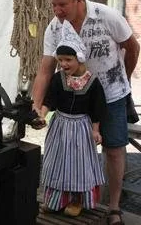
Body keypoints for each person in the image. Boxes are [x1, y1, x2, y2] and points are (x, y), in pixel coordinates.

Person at [30, 0, 140, 223]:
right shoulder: (54, 28)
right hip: (74, 101)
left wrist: (123, 80)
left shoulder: (107, 16)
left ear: (78, 0)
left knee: (114, 150)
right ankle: (68, 197)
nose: (57, 10)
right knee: (71, 152)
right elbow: (45, 70)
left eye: (62, 5)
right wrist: (36, 107)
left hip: (110, 95)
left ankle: (113, 208)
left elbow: (132, 48)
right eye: (53, 5)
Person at [34, 29, 106, 217]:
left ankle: (76, 200)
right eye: (60, 60)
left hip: (81, 128)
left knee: (78, 165)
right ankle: (55, 200)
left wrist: (96, 130)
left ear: (79, 58)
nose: (64, 64)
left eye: (68, 59)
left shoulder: (92, 82)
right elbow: (50, 100)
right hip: (60, 125)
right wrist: (42, 115)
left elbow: (97, 109)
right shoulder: (58, 79)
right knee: (56, 162)